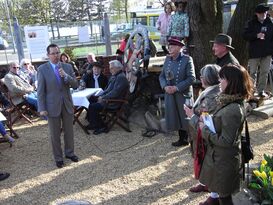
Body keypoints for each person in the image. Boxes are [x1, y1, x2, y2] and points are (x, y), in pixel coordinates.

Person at [197, 64, 253, 205]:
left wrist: (205, 130)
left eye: (222, 78)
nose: (219, 81)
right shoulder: (229, 101)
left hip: (224, 161)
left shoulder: (233, 109)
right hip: (220, 159)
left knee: (225, 198)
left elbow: (227, 141)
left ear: (231, 82)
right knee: (222, 195)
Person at [37, 43, 79, 168]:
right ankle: (58, 157)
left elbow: (75, 85)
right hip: (51, 107)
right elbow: (40, 91)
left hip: (66, 104)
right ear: (48, 55)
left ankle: (70, 153)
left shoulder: (67, 67)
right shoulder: (42, 69)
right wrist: (42, 108)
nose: (56, 55)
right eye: (53, 53)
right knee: (54, 134)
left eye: (57, 52)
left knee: (69, 131)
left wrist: (66, 76)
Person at [184, 64, 221, 201]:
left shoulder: (212, 96)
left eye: (202, 76)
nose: (200, 78)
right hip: (200, 136)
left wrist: (191, 114)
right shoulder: (208, 92)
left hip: (206, 137)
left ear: (208, 78)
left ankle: (214, 195)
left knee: (209, 162)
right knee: (203, 161)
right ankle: (204, 183)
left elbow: (206, 121)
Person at [159, 37, 195, 147]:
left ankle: (190, 138)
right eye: (169, 46)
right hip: (170, 93)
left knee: (184, 116)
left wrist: (177, 87)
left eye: (173, 46)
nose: (169, 48)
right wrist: (165, 87)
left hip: (182, 93)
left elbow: (191, 78)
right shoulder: (167, 59)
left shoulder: (187, 59)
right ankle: (182, 139)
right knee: (174, 115)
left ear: (179, 47)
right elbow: (161, 76)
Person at [86, 60, 129, 135]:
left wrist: (103, 98)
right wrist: (101, 96)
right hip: (109, 99)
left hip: (113, 102)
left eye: (112, 68)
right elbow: (108, 89)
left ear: (118, 68)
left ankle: (102, 126)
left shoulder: (121, 77)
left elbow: (115, 93)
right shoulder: (115, 76)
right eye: (110, 68)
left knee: (92, 106)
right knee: (91, 100)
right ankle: (94, 123)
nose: (110, 70)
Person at [243, 3, 273, 97]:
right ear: (256, 13)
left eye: (265, 12)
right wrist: (256, 35)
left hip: (267, 52)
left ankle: (261, 91)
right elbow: (244, 36)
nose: (263, 14)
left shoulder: (270, 22)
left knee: (265, 72)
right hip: (255, 52)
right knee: (252, 73)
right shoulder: (251, 23)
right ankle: (251, 91)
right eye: (261, 13)